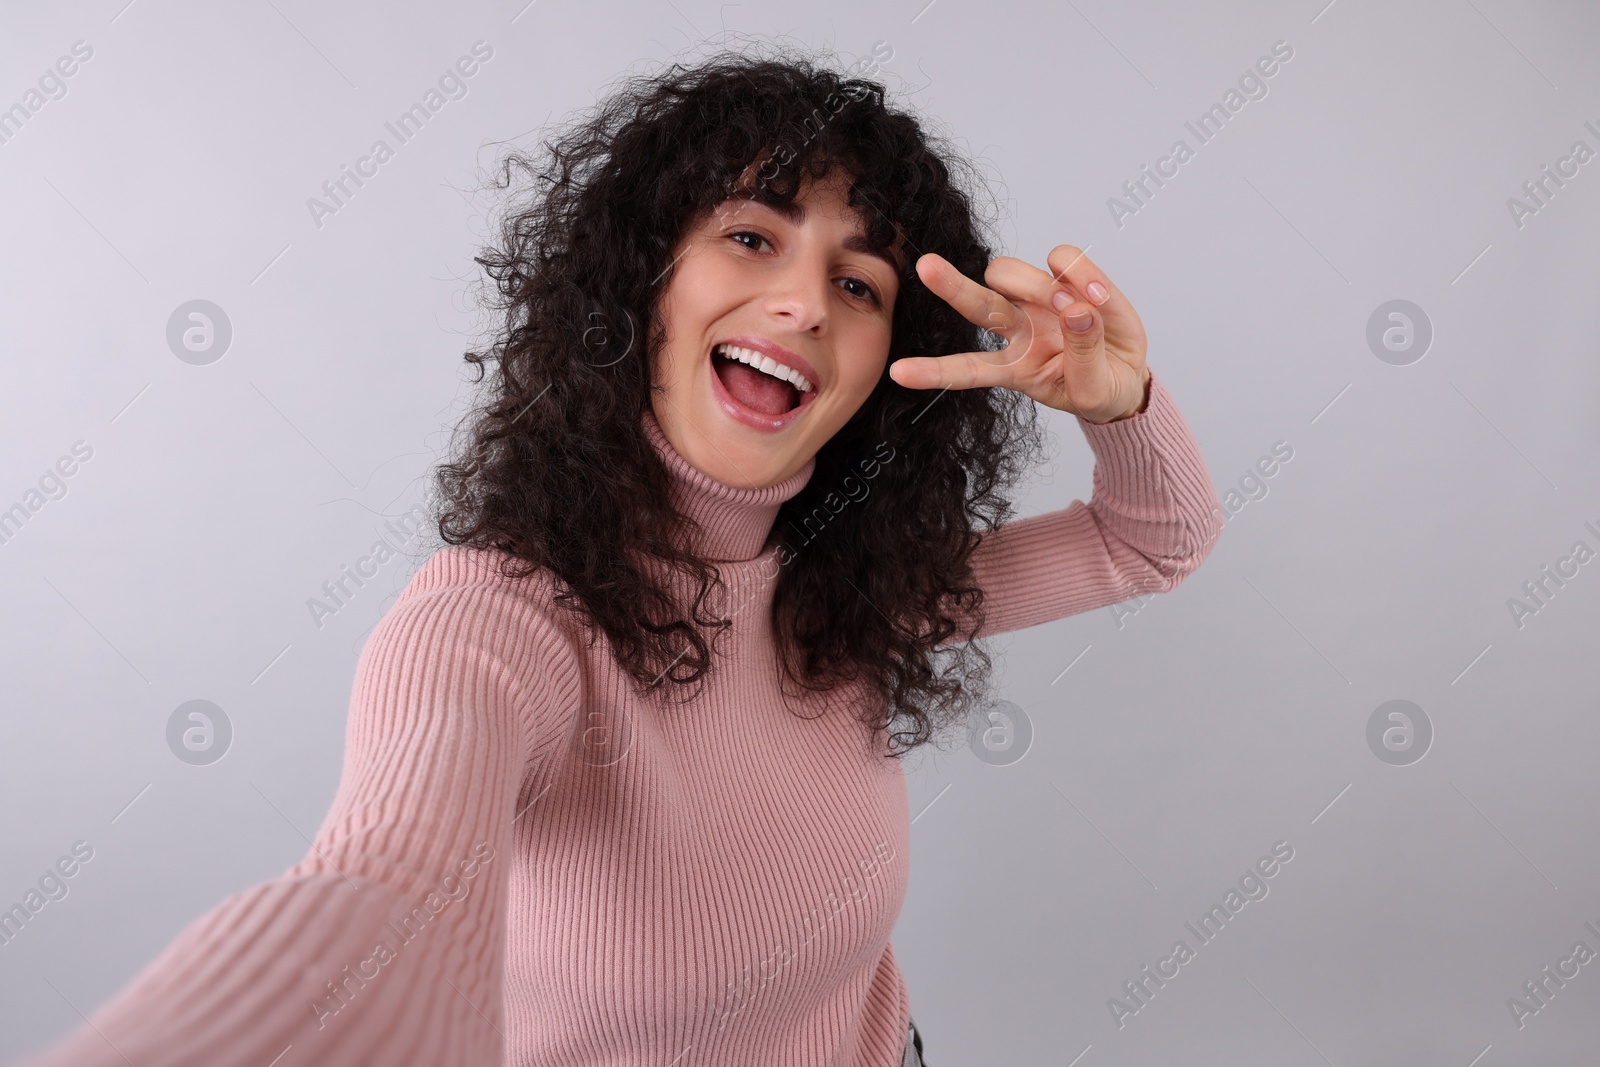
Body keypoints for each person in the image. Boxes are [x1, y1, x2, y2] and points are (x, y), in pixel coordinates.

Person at [12, 43, 1221, 1067]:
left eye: (856, 282)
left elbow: (1151, 539)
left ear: (882, 370)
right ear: (639, 281)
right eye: (752, 236)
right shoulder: (497, 627)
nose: (804, 302)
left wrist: (1120, 403)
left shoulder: (852, 587)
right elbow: (385, 898)